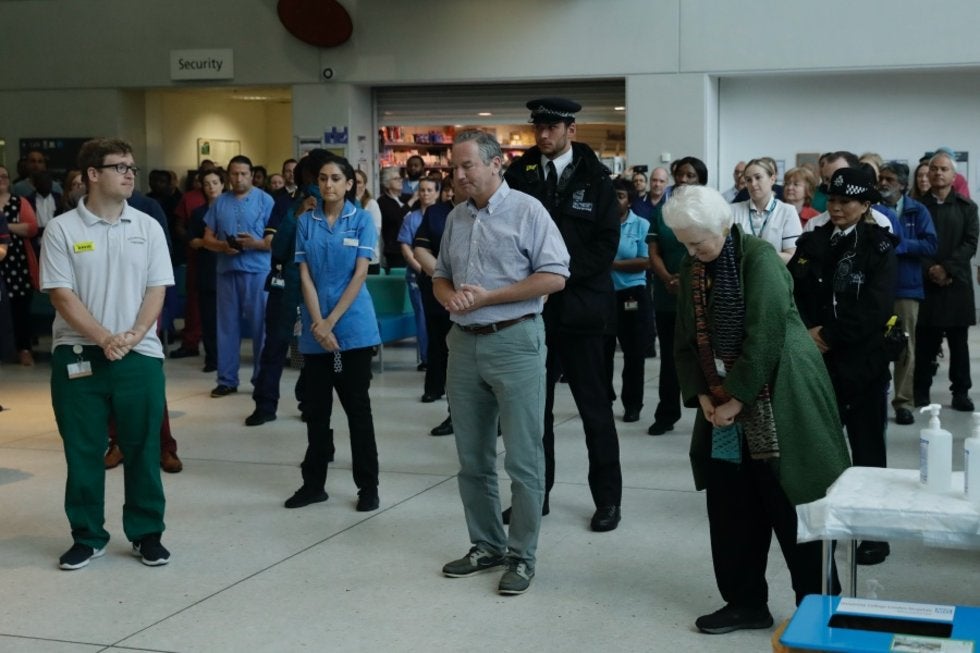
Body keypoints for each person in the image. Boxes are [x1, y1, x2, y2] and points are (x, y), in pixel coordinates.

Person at [669, 184, 850, 634]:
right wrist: (706, 397)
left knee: (792, 503)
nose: (691, 252)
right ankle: (745, 602)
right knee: (730, 505)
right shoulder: (692, 265)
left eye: (698, 242)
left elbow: (766, 335)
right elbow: (683, 340)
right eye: (685, 243)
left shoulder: (760, 258)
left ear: (724, 227)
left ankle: (820, 609)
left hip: (781, 395)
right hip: (724, 404)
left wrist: (734, 398)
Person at [435, 129, 569, 596]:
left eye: (467, 165)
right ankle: (486, 544)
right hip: (464, 344)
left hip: (515, 342)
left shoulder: (528, 211)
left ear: (496, 164)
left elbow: (554, 277)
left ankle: (522, 556)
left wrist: (490, 297)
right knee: (472, 459)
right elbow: (441, 276)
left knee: (525, 460)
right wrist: (452, 297)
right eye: (455, 166)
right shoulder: (456, 217)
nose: (459, 174)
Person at [40, 138, 174, 570]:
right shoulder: (63, 229)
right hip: (79, 355)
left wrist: (134, 335)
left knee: (141, 447)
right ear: (93, 175)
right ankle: (88, 536)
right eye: (120, 167)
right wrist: (104, 337)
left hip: (140, 355)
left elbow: (157, 289)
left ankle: (146, 533)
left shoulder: (148, 226)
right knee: (83, 450)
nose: (130, 174)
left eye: (132, 166)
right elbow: (62, 295)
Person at [504, 97, 623, 532]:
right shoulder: (518, 176)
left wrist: (558, 275)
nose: (544, 135)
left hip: (584, 309)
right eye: (539, 127)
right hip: (532, 311)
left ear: (571, 130)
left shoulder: (596, 178)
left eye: (553, 127)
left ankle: (608, 500)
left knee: (595, 409)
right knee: (535, 413)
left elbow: (607, 243)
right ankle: (537, 496)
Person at [789, 166, 897, 566]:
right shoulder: (813, 241)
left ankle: (874, 535)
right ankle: (826, 526)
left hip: (861, 363)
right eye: (831, 200)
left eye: (845, 201)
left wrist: (829, 336)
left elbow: (876, 307)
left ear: (865, 205)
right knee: (819, 447)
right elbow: (792, 291)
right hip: (816, 363)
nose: (835, 207)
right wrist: (807, 333)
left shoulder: (879, 247)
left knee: (867, 448)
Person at [285, 155, 382, 513]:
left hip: (352, 329)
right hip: (315, 329)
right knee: (316, 410)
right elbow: (305, 275)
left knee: (358, 410)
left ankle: (368, 487)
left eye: (336, 179)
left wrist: (331, 322)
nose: (329, 185)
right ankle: (314, 485)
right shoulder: (305, 222)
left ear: (349, 184)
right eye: (323, 179)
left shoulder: (361, 221)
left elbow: (359, 276)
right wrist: (318, 322)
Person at [247, 152, 326, 426]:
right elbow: (277, 247)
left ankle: (308, 402)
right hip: (284, 286)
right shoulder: (285, 203)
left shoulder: (336, 206)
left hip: (317, 289)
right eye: (319, 176)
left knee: (312, 349)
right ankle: (265, 404)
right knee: (275, 347)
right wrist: (297, 214)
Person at [202, 155, 276, 397]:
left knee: (260, 328)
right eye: (234, 174)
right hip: (226, 271)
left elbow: (273, 242)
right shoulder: (219, 202)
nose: (238, 178)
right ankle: (227, 379)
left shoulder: (265, 200)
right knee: (226, 328)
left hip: (257, 271)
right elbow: (207, 239)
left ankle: (261, 379)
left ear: (252, 174)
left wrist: (254, 243)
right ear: (228, 176)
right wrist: (223, 247)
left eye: (243, 174)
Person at [913, 152, 979, 412]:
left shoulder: (967, 207)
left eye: (944, 169)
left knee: (959, 344)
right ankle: (920, 392)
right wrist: (931, 269)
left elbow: (970, 243)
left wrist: (947, 269)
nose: (938, 173)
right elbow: (914, 243)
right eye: (934, 169)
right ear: (927, 175)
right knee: (925, 342)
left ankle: (961, 392)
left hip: (957, 283)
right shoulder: (916, 208)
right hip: (925, 283)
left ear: (954, 175)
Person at [646, 156, 707, 436]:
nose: (683, 180)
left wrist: (688, 279)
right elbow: (654, 250)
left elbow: (711, 251)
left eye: (691, 175)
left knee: (705, 356)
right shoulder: (665, 211)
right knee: (670, 359)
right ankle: (666, 413)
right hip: (667, 295)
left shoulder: (708, 210)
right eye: (680, 175)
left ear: (700, 180)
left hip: (701, 296)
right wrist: (668, 278)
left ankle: (709, 416)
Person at [877, 161, 938, 425]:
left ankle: (903, 402)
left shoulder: (917, 210)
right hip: (877, 289)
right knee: (875, 345)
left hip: (906, 288)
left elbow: (931, 245)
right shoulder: (874, 210)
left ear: (903, 184)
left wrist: (899, 245)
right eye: (881, 178)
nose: (883, 183)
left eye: (889, 179)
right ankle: (875, 396)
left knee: (905, 346)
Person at [413, 175, 466, 434]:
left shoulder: (493, 210)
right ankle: (451, 412)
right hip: (440, 292)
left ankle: (494, 418)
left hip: (478, 297)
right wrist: (446, 279)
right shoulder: (437, 213)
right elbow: (420, 250)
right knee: (441, 348)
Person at [607, 178, 650, 422]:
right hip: (604, 296)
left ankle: (633, 404)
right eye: (612, 195)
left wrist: (612, 264)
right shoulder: (602, 224)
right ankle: (605, 398)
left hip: (632, 295)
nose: (615, 200)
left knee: (633, 354)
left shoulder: (641, 225)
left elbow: (645, 261)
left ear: (630, 200)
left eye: (620, 196)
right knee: (603, 352)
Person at [0, 165, 40, 365]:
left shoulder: (19, 202)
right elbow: (21, 227)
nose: (2, 179)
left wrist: (3, 226)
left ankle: (24, 348)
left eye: (5, 176)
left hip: (17, 263)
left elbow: (31, 228)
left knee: (20, 308)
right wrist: (14, 226)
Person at [398, 176, 439, 371]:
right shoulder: (411, 218)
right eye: (422, 190)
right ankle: (427, 358)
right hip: (417, 275)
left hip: (441, 276)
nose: (425, 194)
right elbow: (406, 247)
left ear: (437, 193)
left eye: (429, 190)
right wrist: (422, 268)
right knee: (422, 317)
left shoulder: (445, 215)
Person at [731, 158, 800, 263]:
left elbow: (792, 257)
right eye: (748, 180)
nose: (753, 184)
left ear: (772, 179)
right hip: (741, 276)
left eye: (758, 177)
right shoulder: (733, 210)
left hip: (774, 276)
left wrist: (759, 254)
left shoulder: (787, 212)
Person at [377, 167, 411, 269]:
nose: (401, 180)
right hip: (395, 250)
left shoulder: (405, 198)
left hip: (411, 247)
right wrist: (411, 202)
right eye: (396, 179)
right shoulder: (382, 201)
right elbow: (395, 217)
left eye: (400, 178)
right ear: (387, 183)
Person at [354, 169, 383, 271]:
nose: (355, 185)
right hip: (350, 258)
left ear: (364, 185)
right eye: (353, 181)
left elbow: (375, 232)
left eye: (358, 182)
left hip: (369, 258)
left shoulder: (371, 204)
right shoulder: (344, 204)